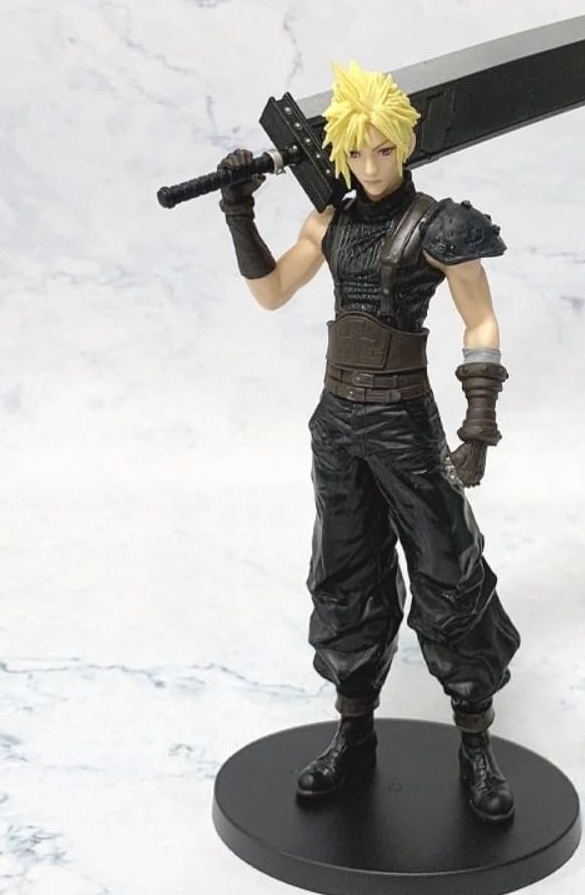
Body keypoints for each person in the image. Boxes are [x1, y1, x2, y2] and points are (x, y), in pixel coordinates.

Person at [217, 61, 520, 823]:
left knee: (449, 572)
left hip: (405, 423)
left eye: (384, 149)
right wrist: (238, 212)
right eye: (357, 151)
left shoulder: (439, 227)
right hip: (337, 424)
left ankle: (476, 743)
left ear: (405, 144)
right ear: (340, 151)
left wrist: (477, 425)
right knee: (345, 575)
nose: (371, 165)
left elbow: (481, 319)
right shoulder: (328, 223)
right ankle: (353, 732)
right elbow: (272, 292)